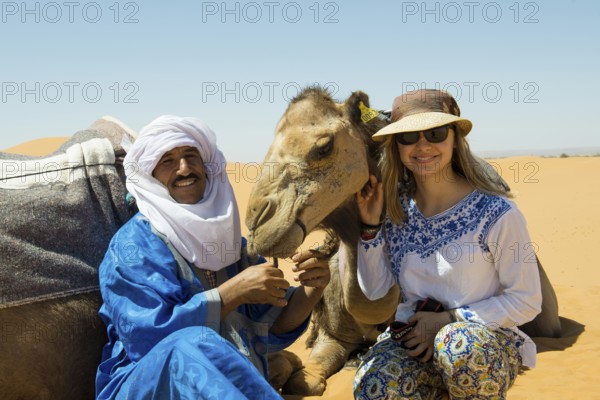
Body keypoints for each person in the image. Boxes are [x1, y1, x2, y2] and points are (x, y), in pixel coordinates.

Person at [95, 115, 330, 399]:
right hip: (146, 386)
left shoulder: (230, 244)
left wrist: (312, 289)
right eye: (168, 161)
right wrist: (232, 293)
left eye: (190, 156)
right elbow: (145, 337)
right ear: (152, 175)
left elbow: (273, 324)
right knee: (191, 344)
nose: (184, 169)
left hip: (231, 386)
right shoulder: (132, 246)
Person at [353, 90, 542, 399]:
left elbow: (527, 299)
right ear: (396, 147)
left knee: (460, 348)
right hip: (414, 339)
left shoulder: (496, 214)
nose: (423, 145)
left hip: (483, 341)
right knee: (374, 382)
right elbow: (375, 291)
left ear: (455, 139)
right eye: (409, 137)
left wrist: (449, 320)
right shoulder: (394, 210)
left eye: (436, 133)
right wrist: (370, 226)